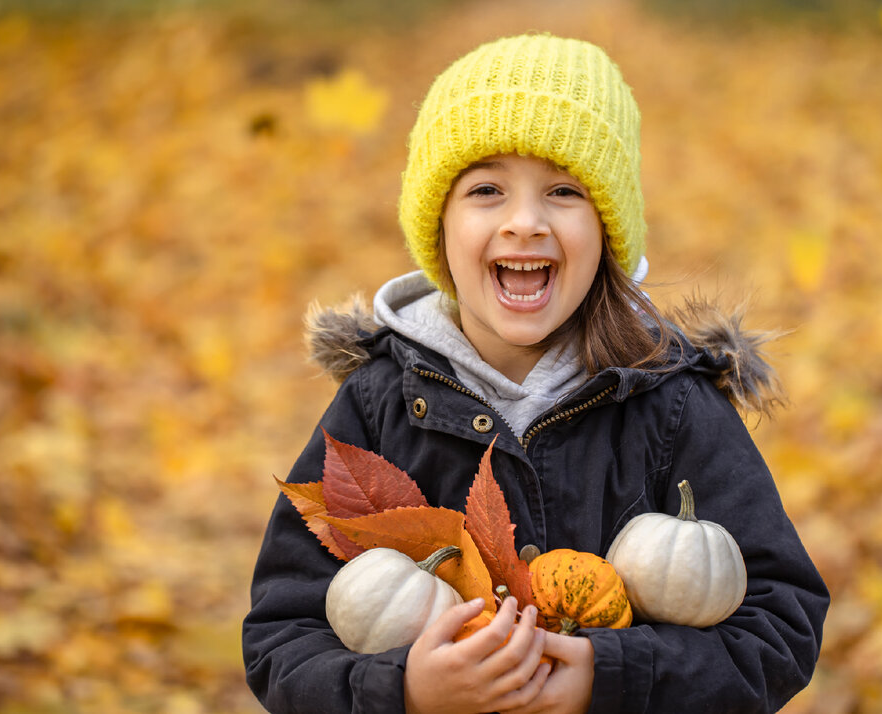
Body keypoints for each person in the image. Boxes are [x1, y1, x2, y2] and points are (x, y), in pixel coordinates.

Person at [243, 33, 828, 714]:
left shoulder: (671, 405)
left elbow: (780, 626)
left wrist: (610, 678)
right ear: (438, 227)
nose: (525, 222)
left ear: (608, 229)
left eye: (563, 191)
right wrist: (405, 691)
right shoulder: (380, 404)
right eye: (487, 189)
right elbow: (282, 638)